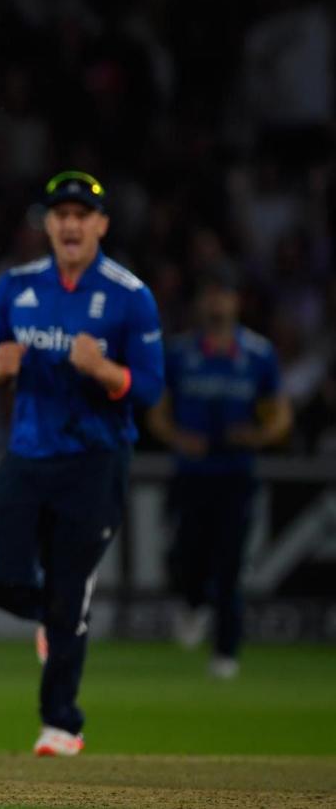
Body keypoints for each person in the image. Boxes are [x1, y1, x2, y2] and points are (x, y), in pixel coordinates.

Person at [0, 170, 164, 756]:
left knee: (69, 590)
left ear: (102, 225)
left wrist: (104, 371)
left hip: (95, 460)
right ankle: (51, 619)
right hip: (29, 454)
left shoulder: (130, 296)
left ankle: (63, 723)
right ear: (49, 225)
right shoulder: (16, 287)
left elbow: (151, 388)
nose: (71, 223)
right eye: (61, 214)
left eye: (82, 214)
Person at [146, 265, 292, 679]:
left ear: (236, 302)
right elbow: (157, 412)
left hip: (235, 475)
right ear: (200, 303)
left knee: (229, 564)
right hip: (191, 473)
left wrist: (259, 436)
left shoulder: (258, 354)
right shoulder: (179, 353)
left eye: (223, 295)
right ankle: (192, 604)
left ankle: (226, 652)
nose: (216, 303)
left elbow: (281, 413)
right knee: (185, 556)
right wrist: (178, 438)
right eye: (210, 296)